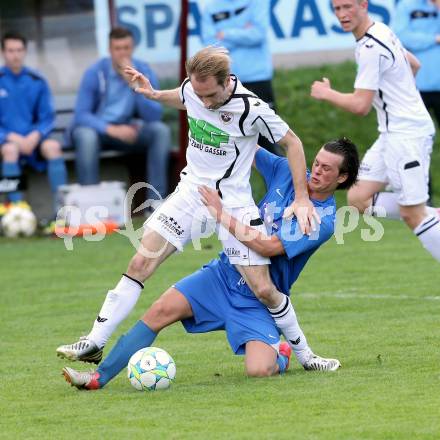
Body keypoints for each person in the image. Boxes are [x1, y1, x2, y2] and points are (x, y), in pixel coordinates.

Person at [56, 46, 319, 365]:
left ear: (226, 82)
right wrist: (152, 94)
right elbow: (181, 96)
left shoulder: (252, 108)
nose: (204, 102)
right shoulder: (193, 89)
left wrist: (302, 198)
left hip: (232, 202)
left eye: (210, 96)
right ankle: (94, 342)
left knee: (263, 289)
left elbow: (293, 143)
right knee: (140, 263)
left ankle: (305, 355)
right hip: (191, 192)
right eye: (199, 93)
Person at [61, 138, 359, 390]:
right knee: (159, 311)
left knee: (258, 371)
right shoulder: (286, 172)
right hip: (223, 275)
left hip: (258, 298)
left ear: (341, 178)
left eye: (326, 168)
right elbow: (246, 143)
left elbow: (267, 248)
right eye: (316, 162)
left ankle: (281, 354)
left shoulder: (323, 219)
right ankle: (97, 378)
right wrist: (224, 111)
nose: (315, 171)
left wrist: (220, 213)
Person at [310, 0, 440, 262]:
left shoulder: (370, 47)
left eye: (348, 7)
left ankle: (424, 214)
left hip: (407, 135)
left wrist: (326, 93)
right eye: (337, 9)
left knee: (412, 216)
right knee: (358, 198)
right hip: (393, 133)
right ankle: (431, 213)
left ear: (363, 5)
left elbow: (360, 105)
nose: (342, 14)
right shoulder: (381, 30)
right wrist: (401, 95)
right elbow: (413, 64)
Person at [71, 27, 171, 199]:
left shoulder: (143, 71)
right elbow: (81, 115)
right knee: (86, 136)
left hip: (129, 133)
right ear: (110, 50)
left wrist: (136, 87)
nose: (122, 53)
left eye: (126, 48)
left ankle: (155, 202)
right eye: (118, 49)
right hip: (99, 132)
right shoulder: (95, 72)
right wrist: (111, 129)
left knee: (160, 131)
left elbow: (154, 115)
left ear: (132, 48)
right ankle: (90, 202)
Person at [201, 0, 282, 155]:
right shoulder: (211, 8)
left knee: (270, 143)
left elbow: (258, 34)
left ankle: (286, 179)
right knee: (229, 146)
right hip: (226, 83)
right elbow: (211, 45)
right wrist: (243, 31)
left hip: (257, 78)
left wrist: (225, 33)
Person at [0, 31, 67, 214]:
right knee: (10, 150)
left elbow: (47, 117)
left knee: (53, 147)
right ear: (3, 53)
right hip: (6, 142)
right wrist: (9, 136)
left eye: (19, 50)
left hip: (33, 140)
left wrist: (35, 135)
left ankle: (61, 212)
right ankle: (16, 214)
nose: (15, 55)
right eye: (11, 50)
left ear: (25, 51)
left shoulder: (36, 80)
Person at [392, 0, 440, 202]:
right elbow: (402, 36)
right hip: (416, 88)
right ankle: (423, 195)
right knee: (417, 141)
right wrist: (434, 38)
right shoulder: (406, 6)